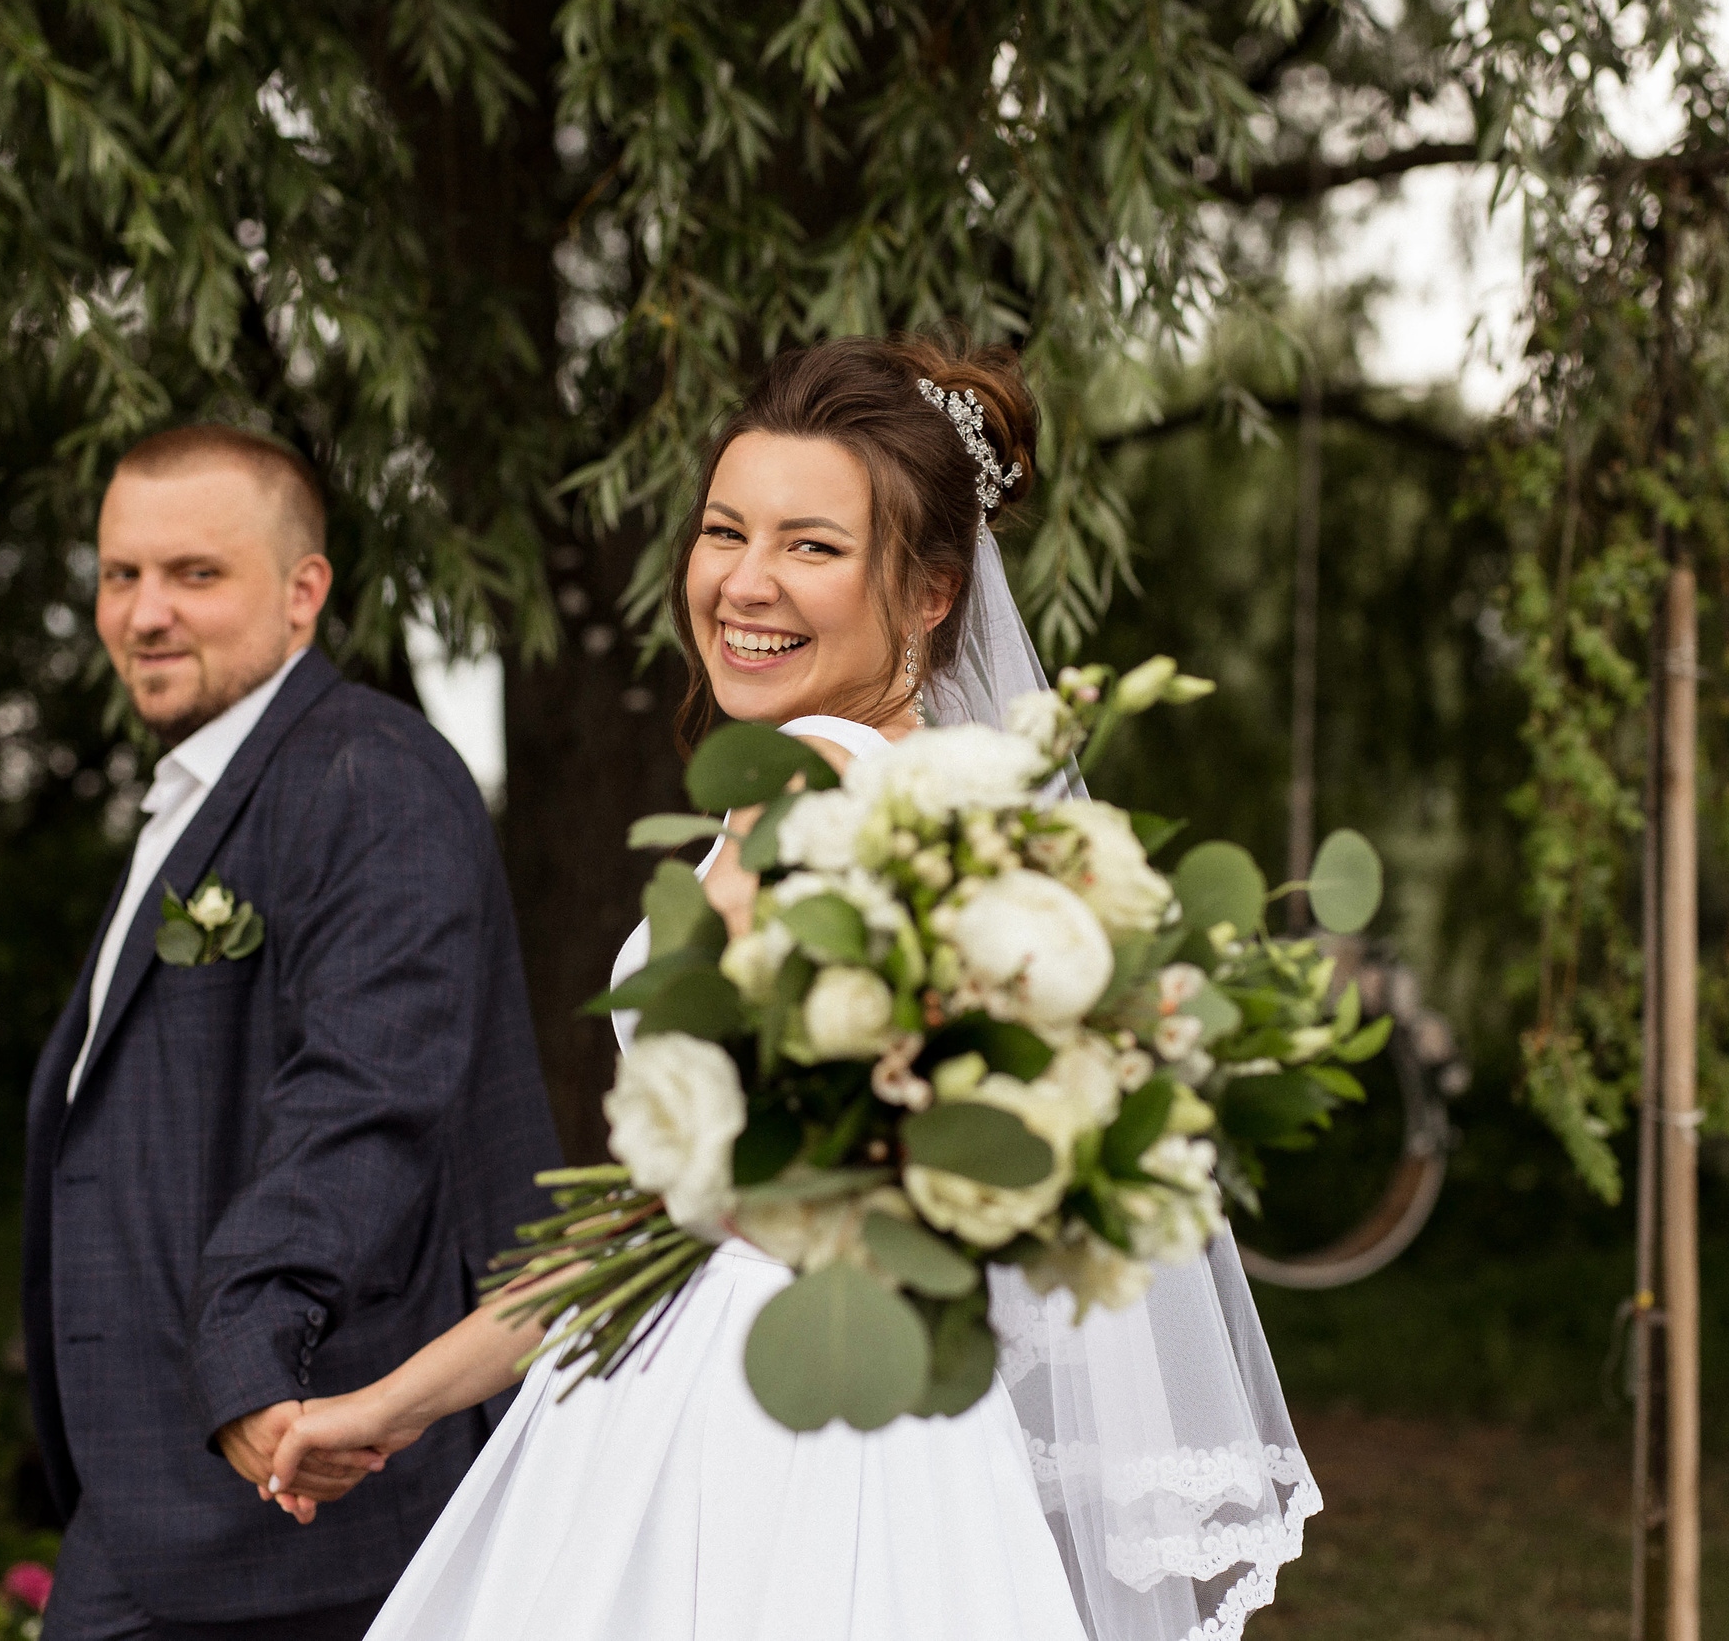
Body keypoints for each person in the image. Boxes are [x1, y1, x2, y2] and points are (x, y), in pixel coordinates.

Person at [269, 337, 1320, 1641]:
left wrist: (392, 1400)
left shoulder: (813, 796)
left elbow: (675, 1217)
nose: (744, 581)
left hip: (754, 1431)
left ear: (931, 593)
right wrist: (404, 1401)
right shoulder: (956, 810)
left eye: (811, 546)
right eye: (725, 530)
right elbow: (666, 1221)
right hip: (893, 1415)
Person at [18, 425, 562, 1641]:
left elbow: (364, 1101)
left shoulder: (371, 779)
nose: (145, 613)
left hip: (311, 1497)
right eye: (120, 575)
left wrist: (251, 1355)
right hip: (161, 1492)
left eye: (195, 574)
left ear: (303, 592)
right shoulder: (212, 788)